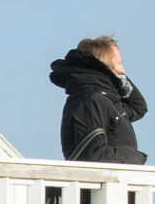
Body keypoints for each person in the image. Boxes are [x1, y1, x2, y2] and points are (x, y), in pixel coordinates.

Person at [48, 36, 148, 165]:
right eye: (118, 63)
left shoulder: (107, 100)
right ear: (104, 66)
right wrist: (135, 157)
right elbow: (93, 156)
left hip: (113, 181)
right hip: (100, 182)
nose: (122, 70)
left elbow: (138, 107)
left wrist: (119, 79)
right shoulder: (90, 100)